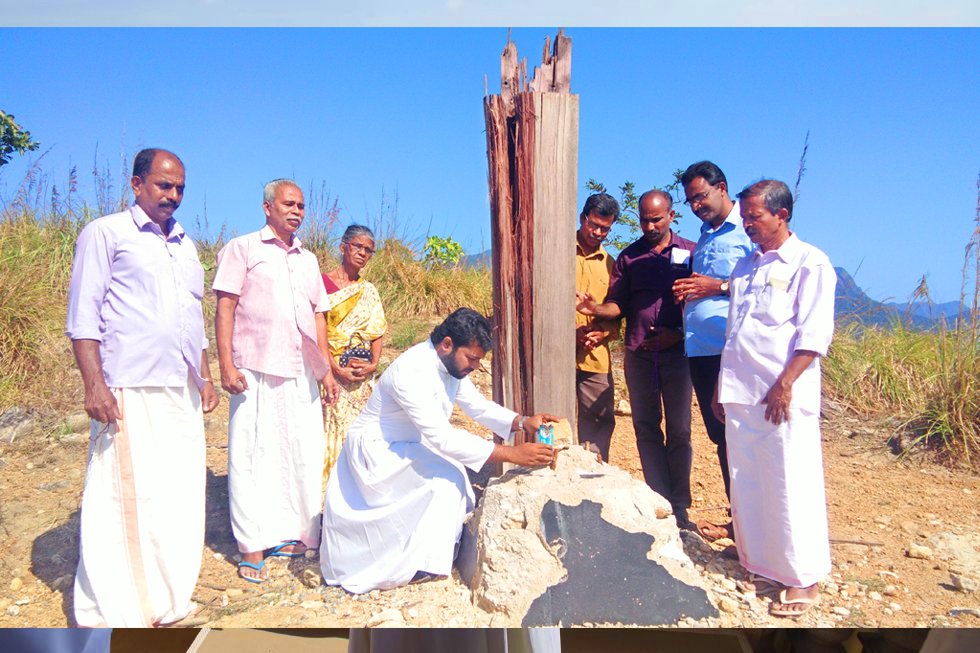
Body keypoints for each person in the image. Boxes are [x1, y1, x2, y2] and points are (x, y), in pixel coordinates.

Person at [66, 148, 219, 627]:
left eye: (179, 189)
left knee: (179, 493)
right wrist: (96, 385)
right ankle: (117, 610)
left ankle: (168, 600)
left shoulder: (186, 245)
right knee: (124, 494)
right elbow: (83, 317)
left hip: (182, 388)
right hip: (130, 386)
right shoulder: (106, 233)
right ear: (136, 184)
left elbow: (192, 317)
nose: (172, 196)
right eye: (162, 186)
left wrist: (206, 374)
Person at [320, 308, 557, 593]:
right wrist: (512, 455)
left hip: (406, 445)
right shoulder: (411, 370)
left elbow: (477, 406)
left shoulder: (450, 366)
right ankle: (416, 563)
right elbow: (442, 437)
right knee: (448, 479)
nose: (475, 366)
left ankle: (430, 556)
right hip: (375, 453)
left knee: (453, 474)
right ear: (447, 344)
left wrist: (522, 422)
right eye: (472, 358)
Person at [713, 179, 837, 617]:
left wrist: (786, 382)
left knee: (790, 480)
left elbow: (814, 332)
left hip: (781, 393)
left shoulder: (810, 262)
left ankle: (802, 577)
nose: (746, 223)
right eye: (744, 216)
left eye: (754, 216)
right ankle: (763, 562)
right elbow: (735, 333)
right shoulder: (745, 267)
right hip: (741, 391)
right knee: (748, 478)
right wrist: (721, 386)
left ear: (781, 214)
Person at [213, 178, 341, 584]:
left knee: (301, 452)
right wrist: (226, 365)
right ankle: (251, 544)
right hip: (255, 367)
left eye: (302, 206)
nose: (297, 211)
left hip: (301, 369)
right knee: (252, 455)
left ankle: (293, 534)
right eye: (289, 204)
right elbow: (225, 306)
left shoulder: (308, 259)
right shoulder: (243, 248)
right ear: (267, 207)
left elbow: (318, 314)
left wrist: (325, 371)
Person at [576, 190, 696, 529]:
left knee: (680, 430)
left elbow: (702, 302)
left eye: (656, 219)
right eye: (644, 219)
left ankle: (681, 505)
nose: (649, 225)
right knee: (645, 428)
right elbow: (619, 305)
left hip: (677, 355)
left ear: (671, 216)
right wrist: (596, 309)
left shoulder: (691, 252)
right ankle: (659, 499)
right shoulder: (629, 258)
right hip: (640, 353)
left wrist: (681, 333)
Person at [671, 161, 754, 542]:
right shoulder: (706, 234)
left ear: (722, 188)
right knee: (722, 438)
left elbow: (765, 284)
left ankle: (752, 527)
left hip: (730, 350)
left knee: (740, 437)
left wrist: (716, 288)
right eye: (689, 201)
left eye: (700, 197)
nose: (695, 207)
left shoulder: (747, 231)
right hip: (701, 352)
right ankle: (740, 521)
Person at [321, 224, 388, 485]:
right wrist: (334, 368)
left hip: (361, 378)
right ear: (343, 247)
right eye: (358, 246)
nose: (363, 253)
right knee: (332, 430)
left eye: (368, 250)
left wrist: (373, 364)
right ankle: (329, 494)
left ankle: (358, 490)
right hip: (330, 373)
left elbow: (377, 330)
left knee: (360, 433)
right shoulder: (322, 284)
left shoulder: (368, 290)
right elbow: (317, 332)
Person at [574, 193, 621, 463]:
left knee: (599, 422)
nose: (598, 232)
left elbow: (616, 314)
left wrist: (602, 332)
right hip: (558, 354)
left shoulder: (611, 265)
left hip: (595, 359)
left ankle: (593, 476)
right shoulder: (556, 252)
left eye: (605, 228)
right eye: (594, 225)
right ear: (583, 218)